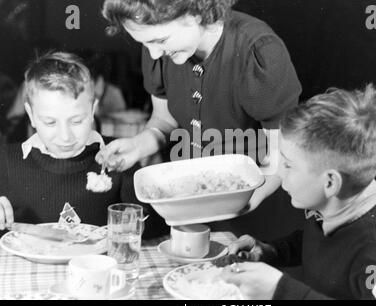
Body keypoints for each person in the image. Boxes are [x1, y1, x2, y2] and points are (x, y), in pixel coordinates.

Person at [96, 0, 302, 218]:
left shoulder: (258, 49)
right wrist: (137, 146)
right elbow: (164, 121)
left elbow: (284, 152)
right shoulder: (159, 50)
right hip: (194, 197)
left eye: (160, 40)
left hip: (260, 203)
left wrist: (244, 199)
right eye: (146, 44)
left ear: (195, 14)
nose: (154, 54)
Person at [221, 84, 376, 300]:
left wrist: (281, 290)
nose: (279, 172)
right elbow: (319, 245)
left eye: (288, 164)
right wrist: (271, 252)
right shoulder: (336, 208)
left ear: (330, 183)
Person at [0, 52, 167, 239]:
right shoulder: (7, 160)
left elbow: (155, 230)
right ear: (31, 115)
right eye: (50, 122)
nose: (65, 137)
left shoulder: (118, 158)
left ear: (92, 109)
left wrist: (145, 214)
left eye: (77, 121)